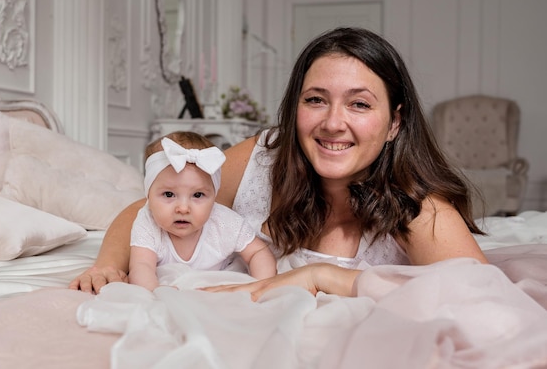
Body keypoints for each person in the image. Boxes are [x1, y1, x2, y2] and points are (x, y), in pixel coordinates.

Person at [70, 26, 488, 298]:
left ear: (395, 123)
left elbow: (480, 299)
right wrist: (107, 264)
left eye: (359, 104)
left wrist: (319, 277)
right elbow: (145, 209)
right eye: (315, 100)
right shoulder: (264, 158)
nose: (333, 123)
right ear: (294, 109)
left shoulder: (418, 206)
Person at [128, 131, 276, 291]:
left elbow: (258, 252)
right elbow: (141, 266)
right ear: (148, 195)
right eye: (169, 194)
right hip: (170, 289)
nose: (183, 208)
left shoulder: (224, 221)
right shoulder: (147, 222)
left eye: (198, 195)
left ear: (214, 196)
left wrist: (260, 287)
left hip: (219, 288)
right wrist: (156, 294)